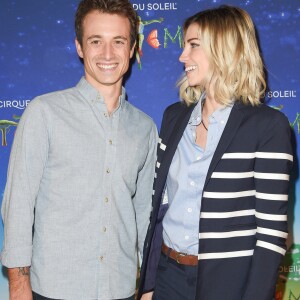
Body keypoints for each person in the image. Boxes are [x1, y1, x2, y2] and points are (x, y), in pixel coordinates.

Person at [1, 0, 157, 299]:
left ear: (132, 48)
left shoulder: (145, 128)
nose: (108, 54)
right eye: (96, 41)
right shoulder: (44, 112)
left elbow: (144, 215)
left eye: (118, 42)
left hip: (120, 289)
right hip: (54, 289)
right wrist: (18, 285)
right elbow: (18, 204)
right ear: (79, 47)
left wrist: (146, 285)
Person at [138, 5, 293, 300]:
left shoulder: (268, 127)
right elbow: (160, 208)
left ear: (226, 49)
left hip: (227, 284)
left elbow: (272, 234)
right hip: (167, 276)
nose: (182, 56)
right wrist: (149, 284)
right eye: (184, 45)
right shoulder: (174, 117)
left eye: (193, 45)